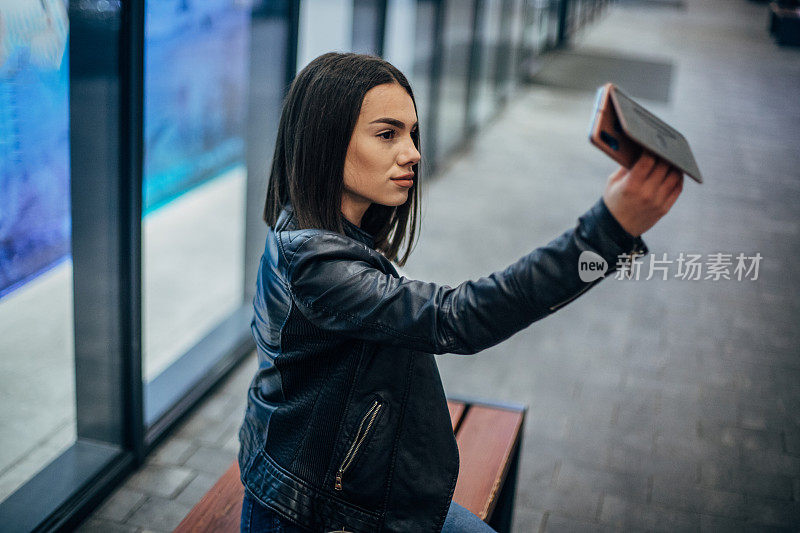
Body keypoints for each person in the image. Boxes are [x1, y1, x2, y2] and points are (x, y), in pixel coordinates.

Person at [237, 52, 683, 533]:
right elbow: (455, 317)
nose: (412, 153)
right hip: (315, 514)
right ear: (325, 143)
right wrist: (605, 234)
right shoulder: (316, 263)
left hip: (342, 488)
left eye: (411, 133)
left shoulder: (314, 225)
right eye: (387, 134)